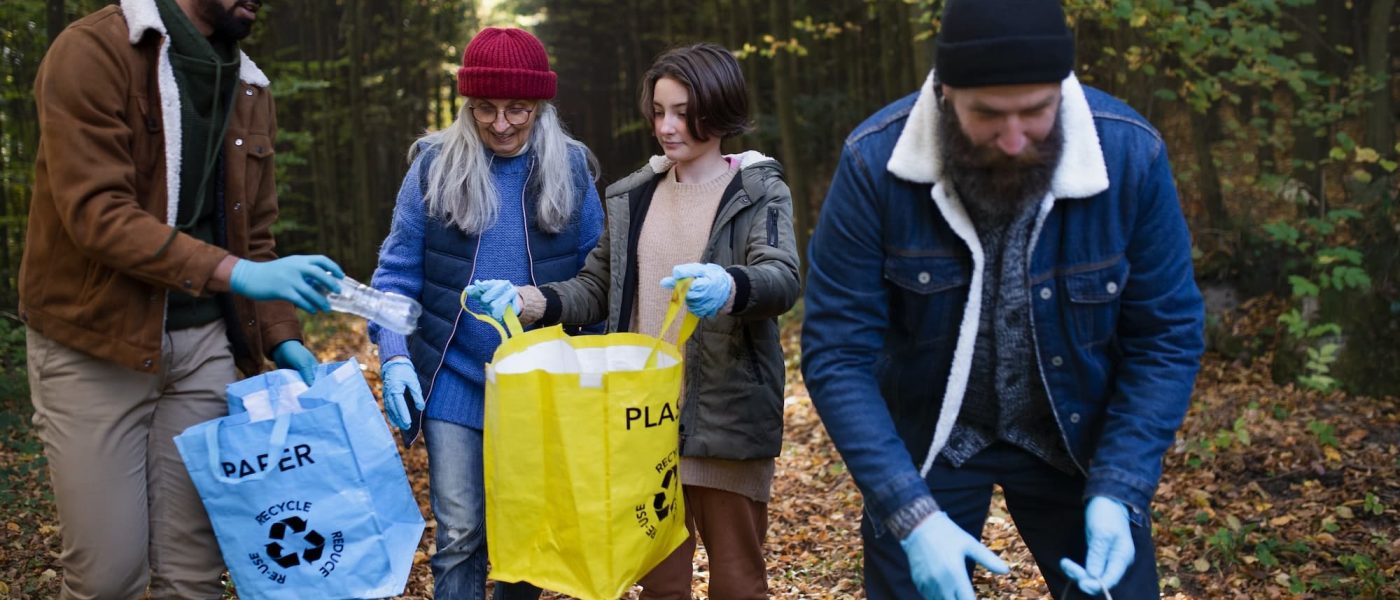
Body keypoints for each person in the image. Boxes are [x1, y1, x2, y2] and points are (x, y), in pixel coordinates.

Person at [800, 0, 1206, 598]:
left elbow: (1167, 335)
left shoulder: (1130, 155)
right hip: (929, 437)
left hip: (1075, 438)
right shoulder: (873, 164)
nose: (1014, 139)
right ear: (944, 94)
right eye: (988, 115)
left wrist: (1122, 487)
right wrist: (909, 516)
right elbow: (836, 351)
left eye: (1037, 111)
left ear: (1063, 90)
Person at [19, 0, 347, 597]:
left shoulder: (249, 85)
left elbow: (256, 237)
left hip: (204, 348)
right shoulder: (93, 51)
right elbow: (97, 214)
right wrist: (234, 272)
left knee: (192, 577)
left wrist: (284, 336)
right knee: (108, 578)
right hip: (95, 342)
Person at [469, 42, 800, 599]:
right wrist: (526, 301)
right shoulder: (633, 197)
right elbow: (596, 288)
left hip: (727, 417)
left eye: (681, 112)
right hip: (642, 424)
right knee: (659, 586)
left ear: (717, 109)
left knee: (738, 581)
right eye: (658, 112)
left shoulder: (758, 192)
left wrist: (730, 286)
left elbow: (781, 276)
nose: (666, 127)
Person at [366, 26, 604, 600]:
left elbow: (599, 279)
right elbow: (396, 274)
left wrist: (593, 371)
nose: (500, 123)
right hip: (454, 376)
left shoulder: (571, 168)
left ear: (541, 106)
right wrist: (395, 355)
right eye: (484, 109)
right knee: (460, 531)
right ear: (466, 106)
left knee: (524, 536)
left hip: (538, 381)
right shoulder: (431, 167)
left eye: (517, 108)